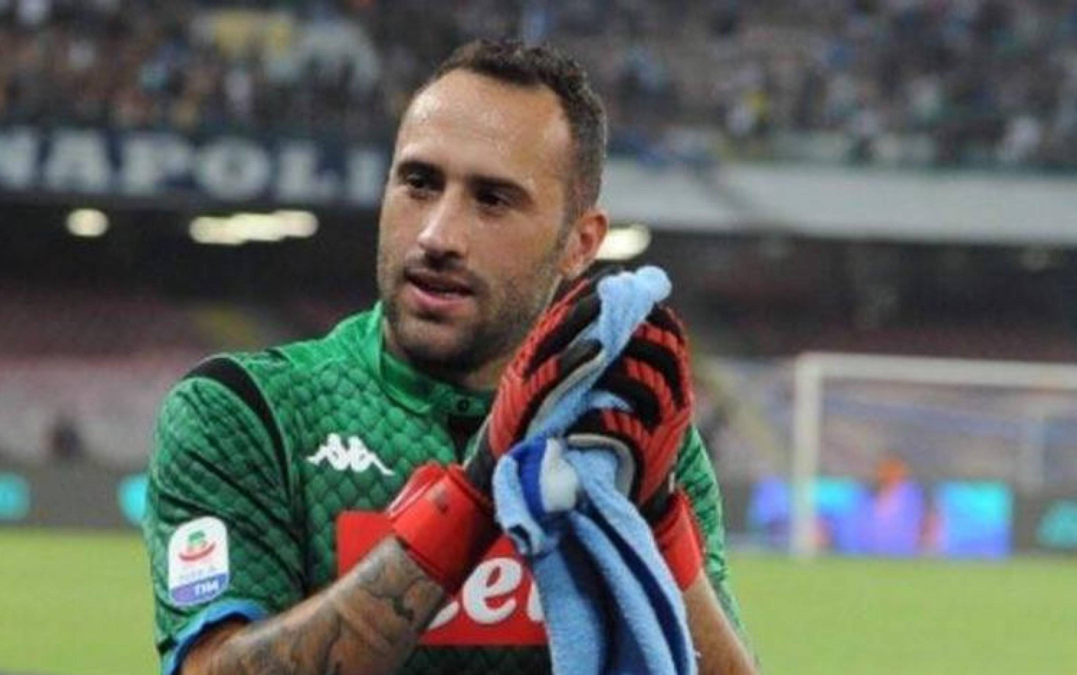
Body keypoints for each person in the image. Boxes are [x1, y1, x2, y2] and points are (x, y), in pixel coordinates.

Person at [143, 39, 757, 675]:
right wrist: (476, 492)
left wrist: (657, 524)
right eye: (419, 183)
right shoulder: (247, 412)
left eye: (492, 199)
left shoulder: (629, 440)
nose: (437, 235)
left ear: (580, 243)